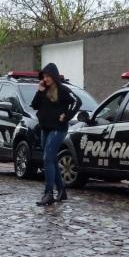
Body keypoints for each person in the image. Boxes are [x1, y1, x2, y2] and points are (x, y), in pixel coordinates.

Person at [31, 63, 81, 206]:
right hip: (45, 128)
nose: (45, 79)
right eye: (44, 76)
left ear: (53, 76)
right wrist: (39, 91)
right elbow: (34, 105)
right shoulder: (43, 90)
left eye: (48, 76)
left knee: (48, 157)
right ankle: (61, 190)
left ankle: (48, 193)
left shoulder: (63, 90)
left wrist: (67, 115)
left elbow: (77, 101)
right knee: (51, 159)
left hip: (58, 129)